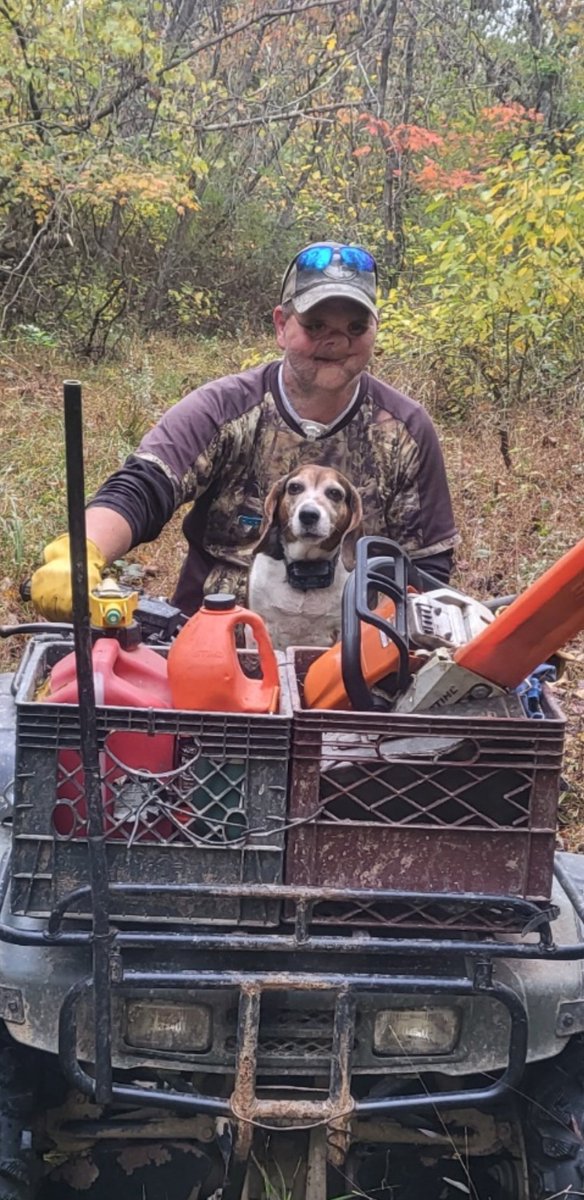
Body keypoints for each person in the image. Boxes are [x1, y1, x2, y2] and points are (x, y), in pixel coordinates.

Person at [31, 240, 459, 621]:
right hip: (212, 643)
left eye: (355, 328)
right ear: (280, 325)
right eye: (315, 327)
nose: (336, 342)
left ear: (374, 331)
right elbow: (143, 487)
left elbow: (427, 566)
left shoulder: (405, 429)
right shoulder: (224, 408)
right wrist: (79, 553)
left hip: (349, 652)